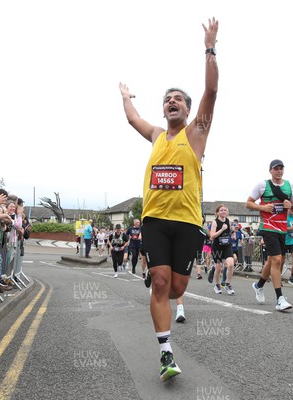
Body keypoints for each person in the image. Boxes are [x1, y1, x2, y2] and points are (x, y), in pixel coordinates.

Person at [119, 17, 218, 381]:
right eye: (167, 100)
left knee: (177, 287)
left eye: (177, 99)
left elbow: (211, 92)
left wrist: (209, 48)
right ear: (163, 110)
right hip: (155, 220)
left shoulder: (196, 134)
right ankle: (165, 353)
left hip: (189, 223)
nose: (171, 102)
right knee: (161, 283)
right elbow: (133, 120)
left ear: (188, 110)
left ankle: (161, 281)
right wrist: (127, 98)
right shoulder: (158, 135)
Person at [246, 159, 293, 311]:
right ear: (270, 170)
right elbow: (248, 203)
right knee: (277, 260)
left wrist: (292, 207)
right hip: (268, 227)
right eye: (276, 168)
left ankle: (258, 285)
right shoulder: (262, 185)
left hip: (282, 229)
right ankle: (280, 299)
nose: (279, 171)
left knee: (272, 261)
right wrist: (262, 207)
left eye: (281, 168)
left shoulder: (290, 186)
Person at [210, 205, 235, 295]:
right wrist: (221, 229)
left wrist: (233, 233)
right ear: (217, 212)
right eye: (221, 210)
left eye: (225, 210)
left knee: (231, 264)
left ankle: (228, 284)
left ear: (227, 212)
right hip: (217, 247)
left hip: (227, 246)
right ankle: (217, 285)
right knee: (219, 268)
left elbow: (232, 230)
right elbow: (212, 236)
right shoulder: (215, 222)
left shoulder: (228, 221)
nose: (223, 211)